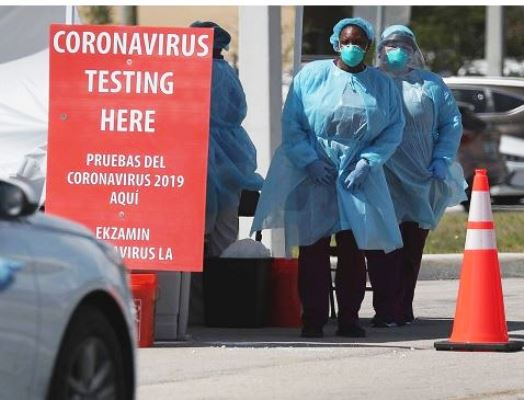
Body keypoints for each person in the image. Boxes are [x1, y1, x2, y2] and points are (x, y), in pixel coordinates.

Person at [252, 17, 405, 338]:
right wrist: (309, 160)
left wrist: (368, 161)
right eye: (347, 42)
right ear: (336, 43)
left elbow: (393, 128)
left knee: (354, 249)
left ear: (368, 47)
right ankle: (312, 319)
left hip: (358, 176)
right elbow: (293, 123)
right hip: (316, 175)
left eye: (359, 43)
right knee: (313, 249)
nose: (353, 48)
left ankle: (349, 318)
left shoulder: (382, 85)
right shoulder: (312, 76)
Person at [376, 25, 467, 324]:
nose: (397, 51)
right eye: (391, 45)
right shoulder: (372, 82)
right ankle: (385, 308)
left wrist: (442, 158)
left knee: (411, 246)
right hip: (382, 174)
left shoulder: (430, 84)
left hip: (421, 175)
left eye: (404, 46)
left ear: (414, 51)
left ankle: (403, 307)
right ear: (381, 49)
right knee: (383, 247)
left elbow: (451, 123)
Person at [190, 21, 263, 257]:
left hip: (198, 155)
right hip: (230, 159)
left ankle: (197, 281)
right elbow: (237, 111)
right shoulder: (227, 72)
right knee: (225, 230)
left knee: (195, 231)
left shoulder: (194, 71)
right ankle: (223, 276)